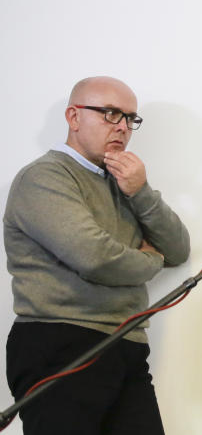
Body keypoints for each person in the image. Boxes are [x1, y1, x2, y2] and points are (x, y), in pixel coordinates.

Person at [4, 76, 190, 435]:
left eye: (130, 118)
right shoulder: (44, 178)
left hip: (127, 343)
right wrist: (152, 260)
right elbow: (96, 257)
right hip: (61, 344)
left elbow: (178, 249)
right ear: (74, 117)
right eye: (110, 113)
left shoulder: (124, 181)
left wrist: (141, 192)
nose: (122, 127)